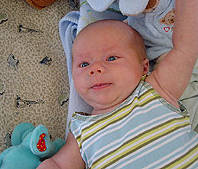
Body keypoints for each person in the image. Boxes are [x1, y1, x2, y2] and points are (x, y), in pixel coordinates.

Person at [37, 0, 198, 168]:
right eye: (84, 64)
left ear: (144, 67)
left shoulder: (157, 89)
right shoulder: (82, 131)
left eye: (111, 58)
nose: (95, 69)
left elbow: (185, 49)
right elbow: (59, 164)